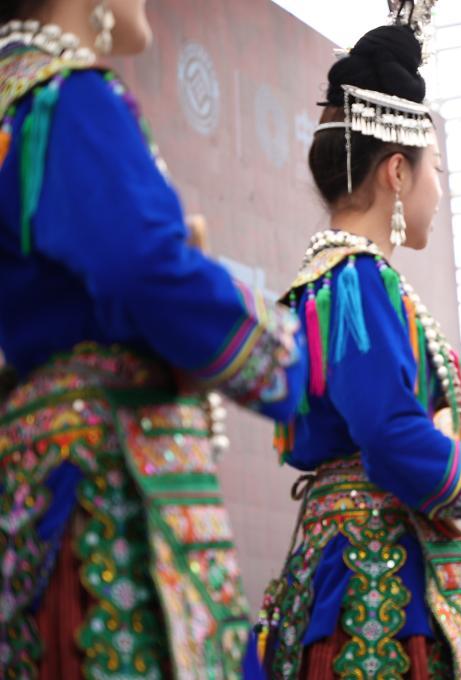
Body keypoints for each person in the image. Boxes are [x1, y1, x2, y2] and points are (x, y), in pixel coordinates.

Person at [249, 17, 461, 679]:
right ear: (398, 172)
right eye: (437, 167)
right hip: (376, 580)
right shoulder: (359, 283)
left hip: (355, 556)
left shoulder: (328, 282)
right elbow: (392, 440)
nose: (441, 185)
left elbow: (384, 433)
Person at [0, 1, 309, 676]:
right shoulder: (69, 95)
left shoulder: (13, 101)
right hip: (108, 472)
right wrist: (288, 361)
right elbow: (140, 264)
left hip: (34, 468)